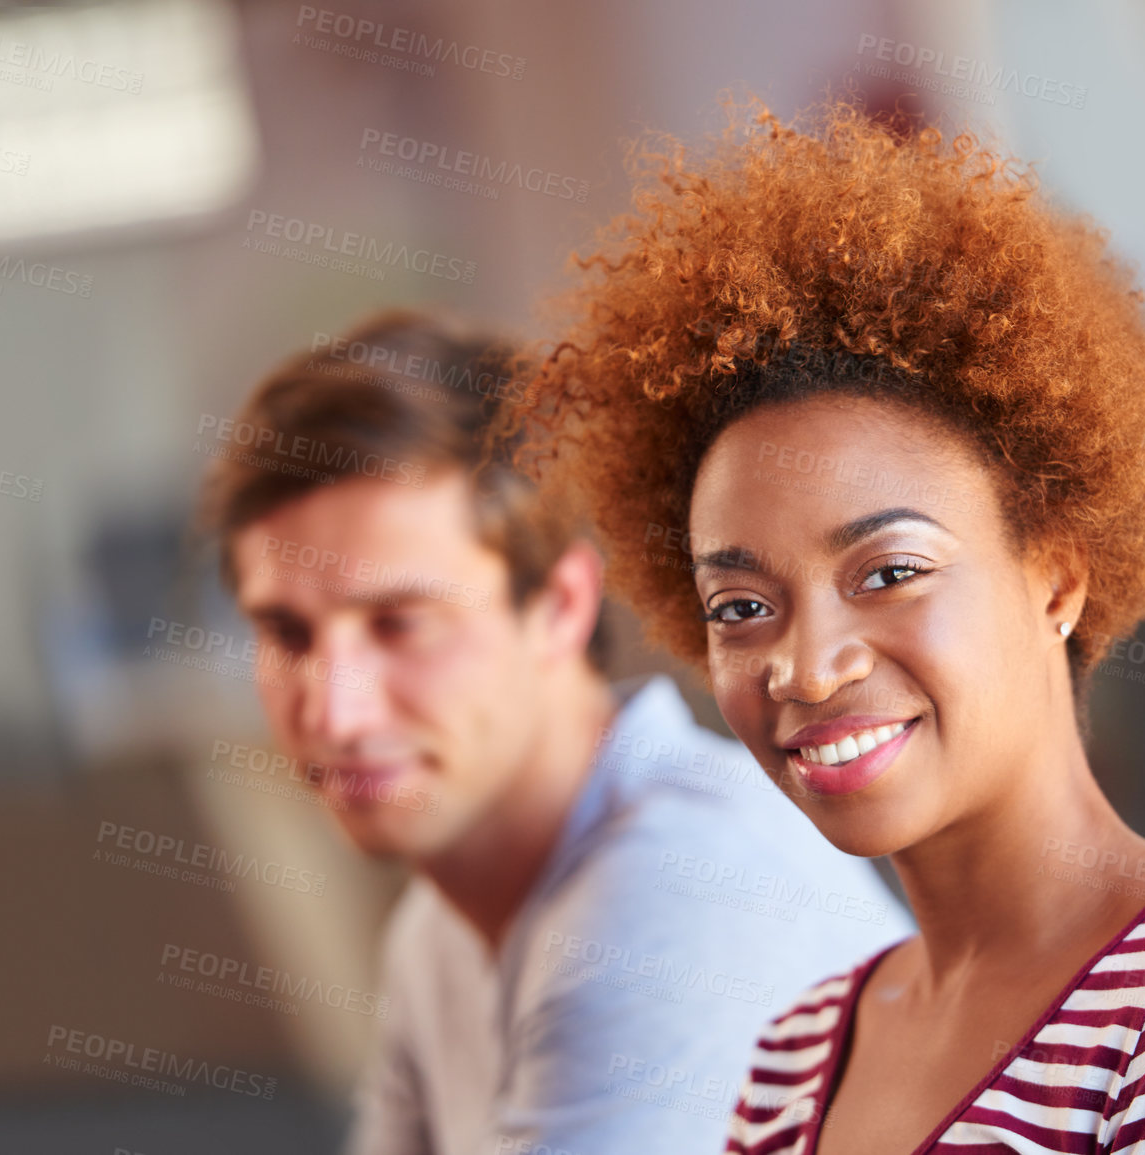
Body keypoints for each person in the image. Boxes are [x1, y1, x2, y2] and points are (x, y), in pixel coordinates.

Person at [519, 100, 1145, 1153]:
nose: (805, 667)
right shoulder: (798, 1059)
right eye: (743, 608)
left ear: (1057, 578)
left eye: (889, 571)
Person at [194, 307, 909, 1155]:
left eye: (400, 624)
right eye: (286, 635)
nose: (333, 713)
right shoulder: (440, 930)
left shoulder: (679, 895)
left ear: (560, 607)